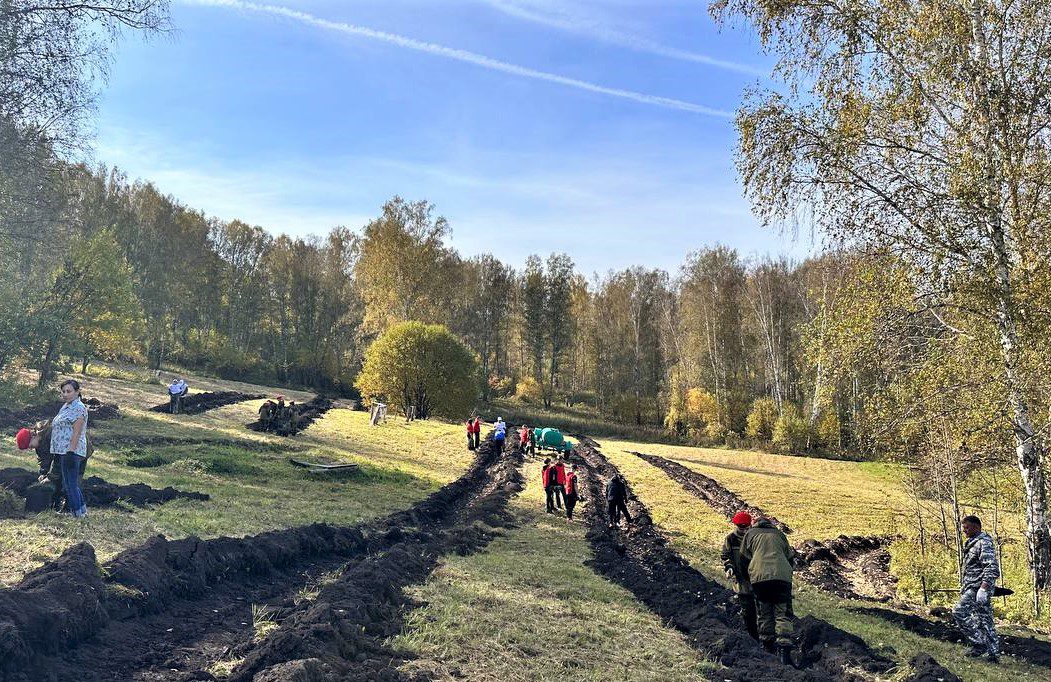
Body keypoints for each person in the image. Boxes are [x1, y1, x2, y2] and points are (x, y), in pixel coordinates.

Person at [740, 517, 796, 664]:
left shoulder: (750, 534)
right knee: (782, 612)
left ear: (755, 524)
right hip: (782, 579)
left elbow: (743, 559)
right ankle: (784, 650)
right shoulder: (780, 535)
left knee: (764, 612)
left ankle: (767, 646)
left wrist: (748, 578)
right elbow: (790, 558)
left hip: (760, 579)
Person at [15, 420, 95, 512]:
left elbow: (59, 460)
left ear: (33, 436)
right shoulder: (39, 440)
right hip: (66, 452)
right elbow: (43, 458)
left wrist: (50, 477)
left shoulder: (52, 434)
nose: (31, 448)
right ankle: (57, 504)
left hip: (79, 448)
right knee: (57, 478)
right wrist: (43, 473)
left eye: (30, 446)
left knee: (69, 480)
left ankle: (71, 508)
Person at [954, 515, 1001, 663]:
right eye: (963, 528)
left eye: (967, 528)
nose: (964, 531)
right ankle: (993, 654)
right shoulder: (972, 542)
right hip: (972, 586)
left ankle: (979, 643)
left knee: (959, 611)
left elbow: (991, 567)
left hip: (978, 587)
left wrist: (984, 588)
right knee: (984, 619)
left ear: (976, 527)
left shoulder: (983, 542)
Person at [50, 379, 89, 518]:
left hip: (71, 450)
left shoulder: (79, 407)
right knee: (70, 483)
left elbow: (77, 431)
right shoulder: (66, 406)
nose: (65, 394)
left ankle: (77, 514)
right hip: (63, 450)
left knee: (70, 485)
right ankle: (82, 511)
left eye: (69, 391)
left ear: (77, 392)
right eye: (63, 391)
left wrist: (71, 451)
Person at [721, 511, 759, 641]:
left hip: (757, 579)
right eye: (740, 528)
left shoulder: (755, 538)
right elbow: (726, 556)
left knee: (762, 611)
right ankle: (752, 638)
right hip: (741, 581)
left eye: (746, 528)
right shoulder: (730, 539)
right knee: (748, 613)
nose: (743, 531)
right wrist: (729, 568)